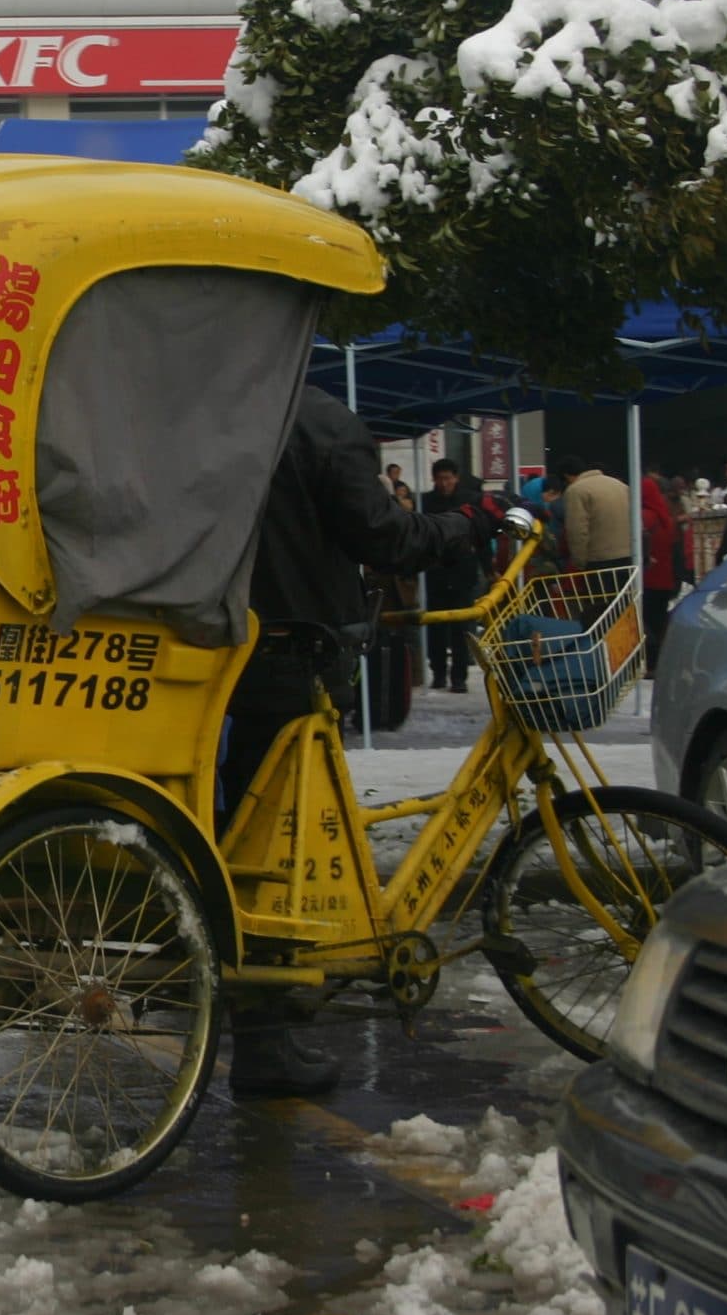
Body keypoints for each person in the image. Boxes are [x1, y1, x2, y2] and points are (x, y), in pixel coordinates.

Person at [222, 387, 511, 1093]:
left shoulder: (207, 400)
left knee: (237, 836)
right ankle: (262, 1043)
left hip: (215, 651)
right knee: (266, 857)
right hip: (291, 654)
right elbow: (387, 538)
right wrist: (469, 523)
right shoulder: (318, 421)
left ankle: (256, 1012)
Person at [419, 458, 481, 692]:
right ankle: (438, 673)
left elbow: (479, 535)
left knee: (461, 629)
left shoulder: (469, 501)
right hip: (435, 573)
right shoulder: (425, 502)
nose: (445, 483)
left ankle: (459, 677)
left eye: (449, 478)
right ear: (434, 479)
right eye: (440, 478)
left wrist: (487, 568)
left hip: (463, 572)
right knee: (436, 627)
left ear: (456, 478)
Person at [554, 453, 631, 572]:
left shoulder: (575, 490)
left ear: (566, 476)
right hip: (629, 557)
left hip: (599, 560)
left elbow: (577, 531)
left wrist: (579, 562)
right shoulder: (621, 485)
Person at [640, 473, 682, 664]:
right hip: (665, 578)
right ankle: (660, 662)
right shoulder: (666, 517)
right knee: (658, 622)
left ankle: (650, 662)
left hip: (647, 578)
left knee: (646, 623)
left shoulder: (643, 517)